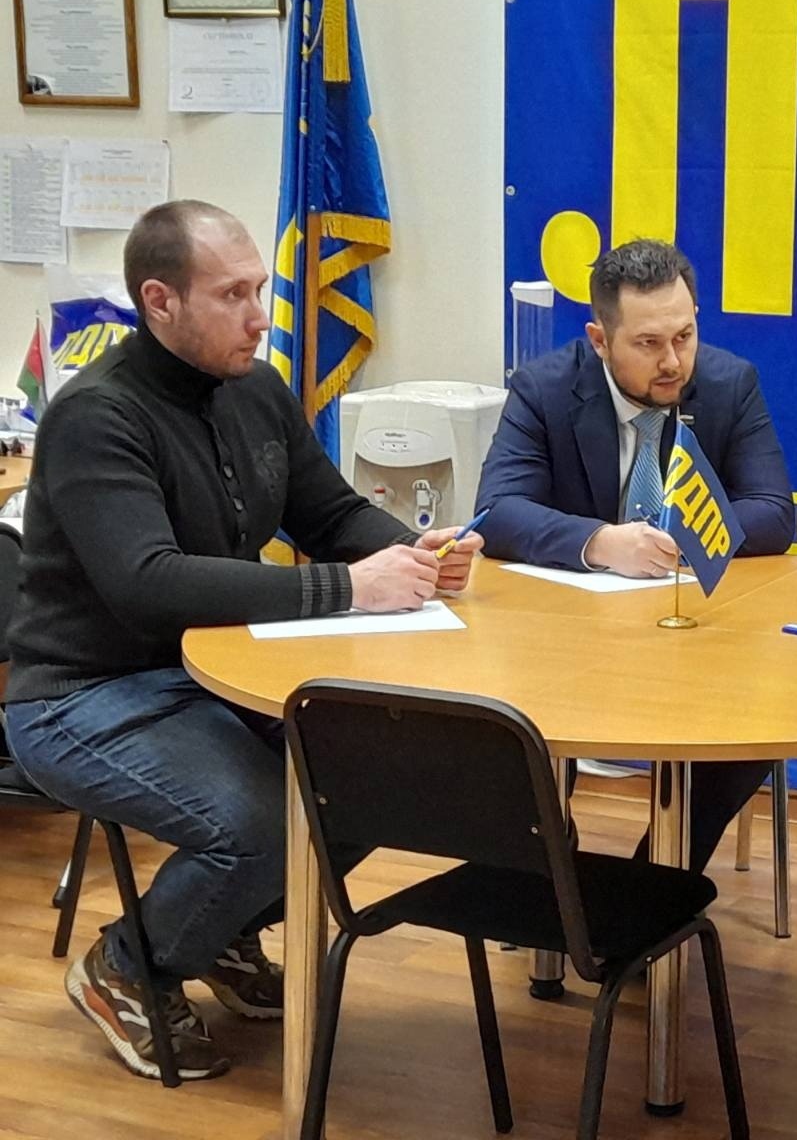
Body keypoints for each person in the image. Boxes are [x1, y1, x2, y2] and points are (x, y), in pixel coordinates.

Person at [3, 200, 484, 1082]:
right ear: (160, 301)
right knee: (263, 825)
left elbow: (329, 513)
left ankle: (217, 932)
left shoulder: (256, 389)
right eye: (232, 294)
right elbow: (148, 585)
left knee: (374, 783)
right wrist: (351, 589)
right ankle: (127, 967)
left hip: (216, 674)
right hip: (84, 696)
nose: (260, 315)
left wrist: (413, 554)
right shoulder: (96, 416)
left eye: (259, 288)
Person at [476, 238, 795, 873]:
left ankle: (657, 884)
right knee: (509, 727)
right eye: (648, 344)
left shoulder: (729, 384)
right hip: (565, 641)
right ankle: (550, 877)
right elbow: (498, 510)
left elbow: (774, 511)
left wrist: (683, 533)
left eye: (685, 336)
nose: (673, 362)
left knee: (753, 723)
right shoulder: (544, 389)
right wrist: (600, 542)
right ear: (600, 339)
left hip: (696, 638)